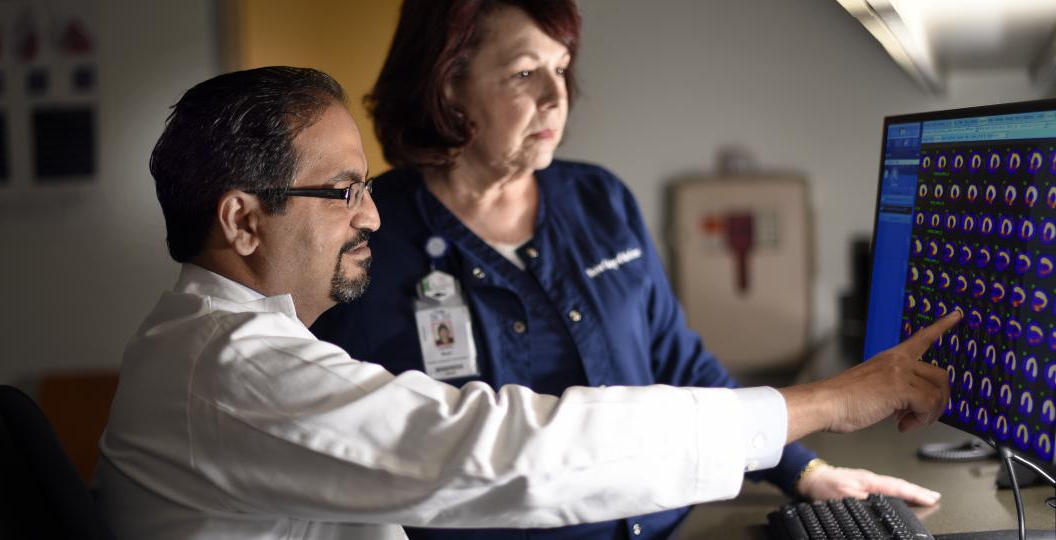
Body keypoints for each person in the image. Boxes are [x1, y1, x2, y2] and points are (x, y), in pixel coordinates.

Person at [94, 65, 957, 540]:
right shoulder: (231, 371)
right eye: (343, 190)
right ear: (243, 220)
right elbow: (502, 451)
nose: (372, 212)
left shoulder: (231, 347)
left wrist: (796, 457)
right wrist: (831, 402)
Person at [310, 2, 944, 539]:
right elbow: (344, 441)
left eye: (561, 68)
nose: (558, 97)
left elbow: (678, 360)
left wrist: (804, 471)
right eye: (525, 73)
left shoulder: (599, 199)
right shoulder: (365, 234)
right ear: (447, 84)